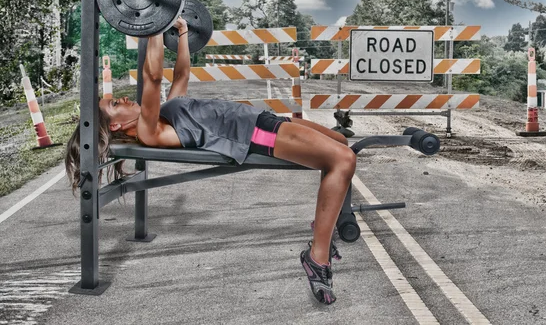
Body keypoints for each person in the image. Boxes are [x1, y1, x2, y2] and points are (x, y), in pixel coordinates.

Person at [65, 17, 356, 305]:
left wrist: (182, 32)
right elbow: (152, 77)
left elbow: (181, 77)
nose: (125, 99)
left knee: (339, 142)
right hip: (253, 135)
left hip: (261, 119)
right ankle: (317, 256)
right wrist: (154, 21)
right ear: (115, 126)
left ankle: (324, 226)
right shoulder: (149, 129)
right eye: (115, 104)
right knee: (343, 160)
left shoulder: (166, 111)